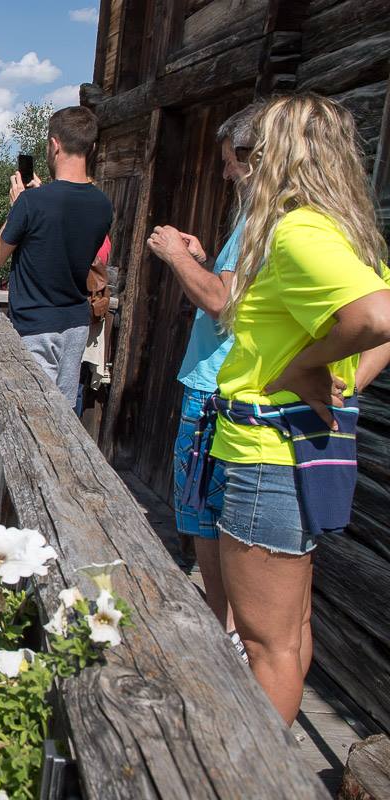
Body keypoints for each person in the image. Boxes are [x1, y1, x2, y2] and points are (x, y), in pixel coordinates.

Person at [190, 94, 390, 725]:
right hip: (300, 450)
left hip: (265, 457)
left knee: (263, 642)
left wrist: (305, 369)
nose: (244, 166)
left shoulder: (297, 229)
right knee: (290, 628)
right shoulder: (345, 230)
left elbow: (378, 317)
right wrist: (345, 381)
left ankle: (252, 776)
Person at [146, 102, 263, 650]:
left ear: (253, 157)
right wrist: (204, 255)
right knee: (209, 516)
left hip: (214, 388)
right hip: (225, 382)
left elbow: (223, 301)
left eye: (228, 164)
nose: (223, 174)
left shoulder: (262, 215)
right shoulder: (265, 219)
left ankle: (226, 638)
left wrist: (176, 257)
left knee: (205, 519)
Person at [0, 106, 114, 407]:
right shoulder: (103, 205)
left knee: (35, 413)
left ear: (54, 145)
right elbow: (66, 231)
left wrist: (19, 207)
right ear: (91, 147)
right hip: (76, 324)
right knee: (63, 410)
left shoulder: (31, 202)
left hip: (35, 325)